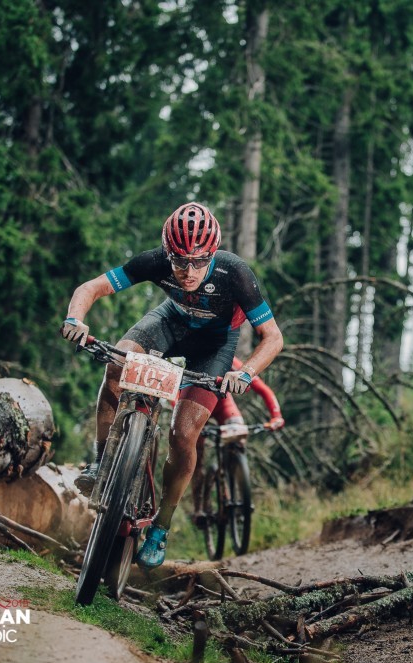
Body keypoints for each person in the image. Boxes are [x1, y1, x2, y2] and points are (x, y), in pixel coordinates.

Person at [60, 202, 283, 569]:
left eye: (199, 262)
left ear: (213, 254)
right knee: (117, 365)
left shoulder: (235, 273)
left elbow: (272, 337)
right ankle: (102, 462)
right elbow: (91, 287)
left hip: (214, 346)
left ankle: (161, 526)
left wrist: (245, 373)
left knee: (183, 435)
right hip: (169, 323)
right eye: (179, 262)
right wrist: (75, 319)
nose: (188, 272)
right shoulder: (155, 261)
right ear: (167, 253)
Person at [191, 357, 284, 527]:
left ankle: (237, 487)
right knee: (196, 456)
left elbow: (262, 388)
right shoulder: (195, 353)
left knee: (238, 436)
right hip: (196, 404)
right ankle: (199, 509)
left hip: (223, 405)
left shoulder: (231, 360)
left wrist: (276, 416)